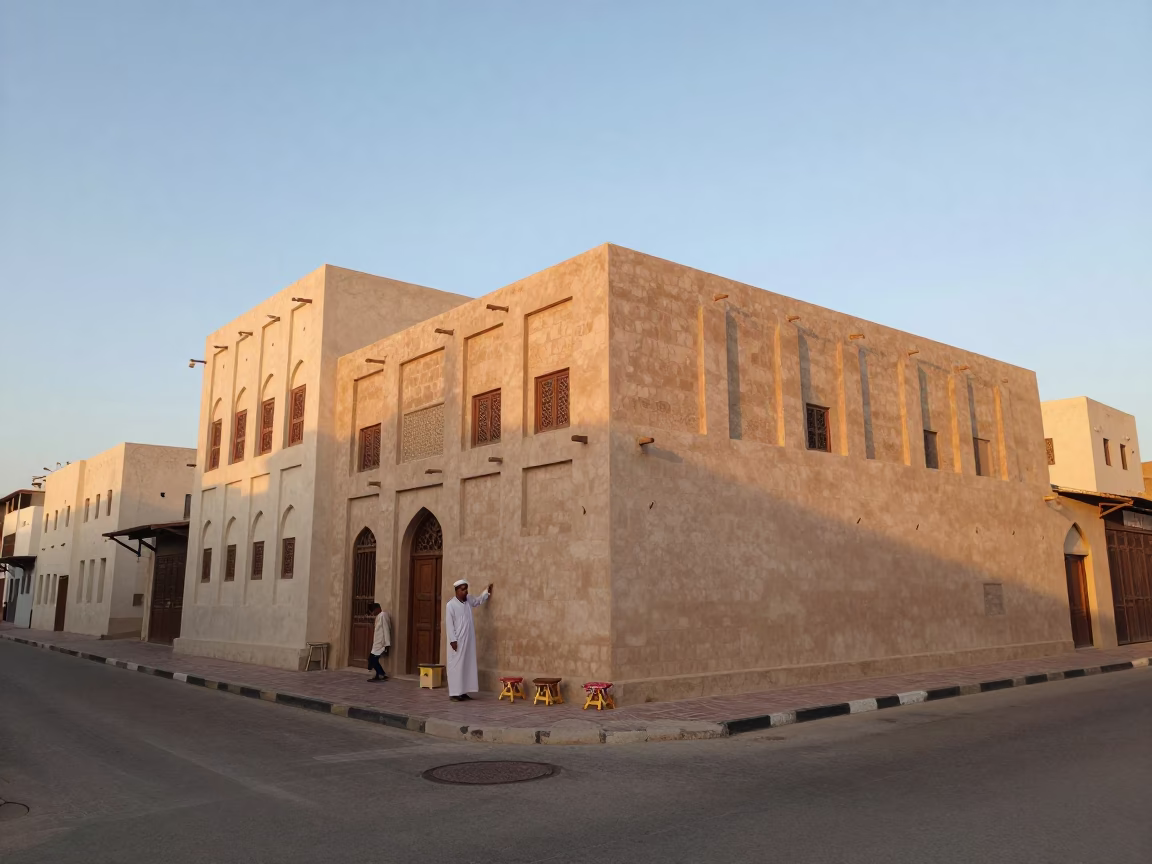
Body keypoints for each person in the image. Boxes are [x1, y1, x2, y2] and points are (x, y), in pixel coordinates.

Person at [445, 579, 492, 701]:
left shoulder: (468, 600)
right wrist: (453, 641)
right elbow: (449, 625)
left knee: (467, 665)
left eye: (466, 589)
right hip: (457, 641)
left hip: (468, 640)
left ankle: (463, 691)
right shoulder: (450, 605)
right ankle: (455, 693)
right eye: (463, 589)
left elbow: (478, 601)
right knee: (456, 666)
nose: (465, 591)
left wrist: (486, 593)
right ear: (456, 591)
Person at [366, 602, 390, 682]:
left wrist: (387, 644)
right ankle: (379, 674)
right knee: (372, 659)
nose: (373, 613)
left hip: (381, 643)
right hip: (377, 643)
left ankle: (381, 675)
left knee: (373, 660)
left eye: (373, 611)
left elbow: (386, 629)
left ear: (377, 609)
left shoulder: (383, 615)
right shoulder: (378, 617)